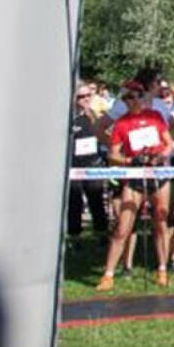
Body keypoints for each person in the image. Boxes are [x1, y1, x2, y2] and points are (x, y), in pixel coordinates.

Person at [96, 81, 174, 290]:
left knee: (161, 221)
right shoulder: (121, 123)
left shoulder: (155, 117)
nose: (133, 101)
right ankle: (108, 274)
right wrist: (130, 161)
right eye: (128, 98)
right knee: (123, 227)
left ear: (143, 96)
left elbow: (168, 143)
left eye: (137, 95)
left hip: (158, 175)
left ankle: (162, 270)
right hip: (135, 177)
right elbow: (113, 154)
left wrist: (160, 156)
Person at [67, 82, 109, 244]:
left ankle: (101, 234)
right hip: (74, 166)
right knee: (75, 202)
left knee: (96, 200)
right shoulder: (70, 118)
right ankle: (74, 237)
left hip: (93, 164)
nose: (85, 99)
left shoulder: (94, 116)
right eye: (81, 97)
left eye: (88, 96)